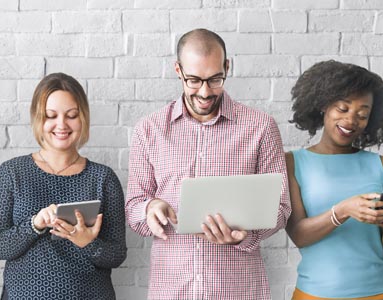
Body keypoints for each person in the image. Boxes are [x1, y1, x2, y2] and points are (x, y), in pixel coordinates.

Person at [124, 28, 290, 299]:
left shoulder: (261, 127)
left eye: (215, 79)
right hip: (172, 290)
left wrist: (244, 235)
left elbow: (281, 209)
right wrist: (150, 208)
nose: (204, 92)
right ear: (178, 70)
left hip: (237, 291)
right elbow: (133, 209)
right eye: (193, 80)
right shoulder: (149, 129)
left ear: (227, 67)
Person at [0, 73, 127, 299]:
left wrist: (88, 243)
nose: (62, 125)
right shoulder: (12, 173)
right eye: (51, 116)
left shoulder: (103, 178)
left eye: (71, 115)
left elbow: (117, 254)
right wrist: (35, 225)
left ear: (83, 118)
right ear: (38, 119)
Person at [284, 60, 383, 300]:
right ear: (323, 106)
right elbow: (298, 234)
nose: (351, 121)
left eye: (362, 115)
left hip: (380, 293)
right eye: (342, 108)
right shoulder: (293, 162)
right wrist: (343, 210)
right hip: (315, 293)